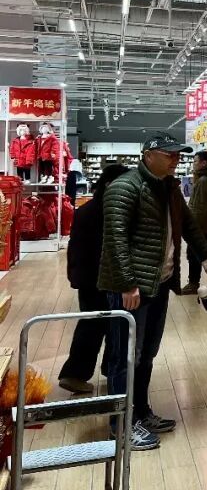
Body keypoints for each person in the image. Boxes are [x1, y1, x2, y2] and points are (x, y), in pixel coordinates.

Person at [99, 134, 207, 451]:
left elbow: (189, 225)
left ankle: (140, 412)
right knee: (125, 357)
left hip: (159, 283)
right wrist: (127, 283)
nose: (175, 160)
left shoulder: (170, 188)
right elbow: (115, 239)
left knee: (146, 354)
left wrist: (206, 255)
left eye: (178, 155)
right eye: (169, 155)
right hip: (131, 288)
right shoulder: (125, 187)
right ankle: (121, 426)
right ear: (148, 155)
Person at [57, 163, 129, 395]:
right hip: (101, 278)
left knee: (97, 323)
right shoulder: (108, 212)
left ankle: (96, 371)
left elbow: (75, 248)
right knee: (102, 325)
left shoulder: (87, 209)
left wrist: (75, 274)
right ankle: (79, 374)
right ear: (110, 185)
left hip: (88, 278)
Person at [181, 150, 207, 295]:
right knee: (205, 249)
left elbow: (199, 207)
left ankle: (193, 283)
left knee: (194, 253)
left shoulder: (204, 180)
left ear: (204, 163)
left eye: (195, 161)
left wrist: (192, 226)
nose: (193, 164)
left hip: (201, 225)